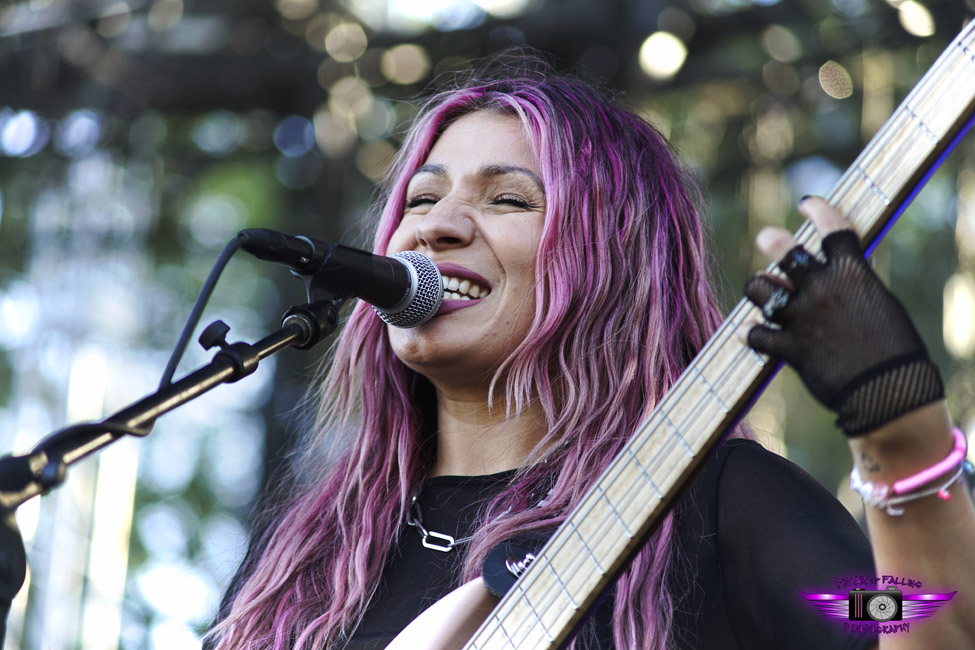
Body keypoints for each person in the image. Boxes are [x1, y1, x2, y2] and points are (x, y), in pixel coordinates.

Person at [204, 57, 975, 649]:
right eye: (420, 198)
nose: (433, 228)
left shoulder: (720, 502)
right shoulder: (314, 545)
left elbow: (910, 615)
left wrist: (898, 434)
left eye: (507, 199)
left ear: (615, 259)